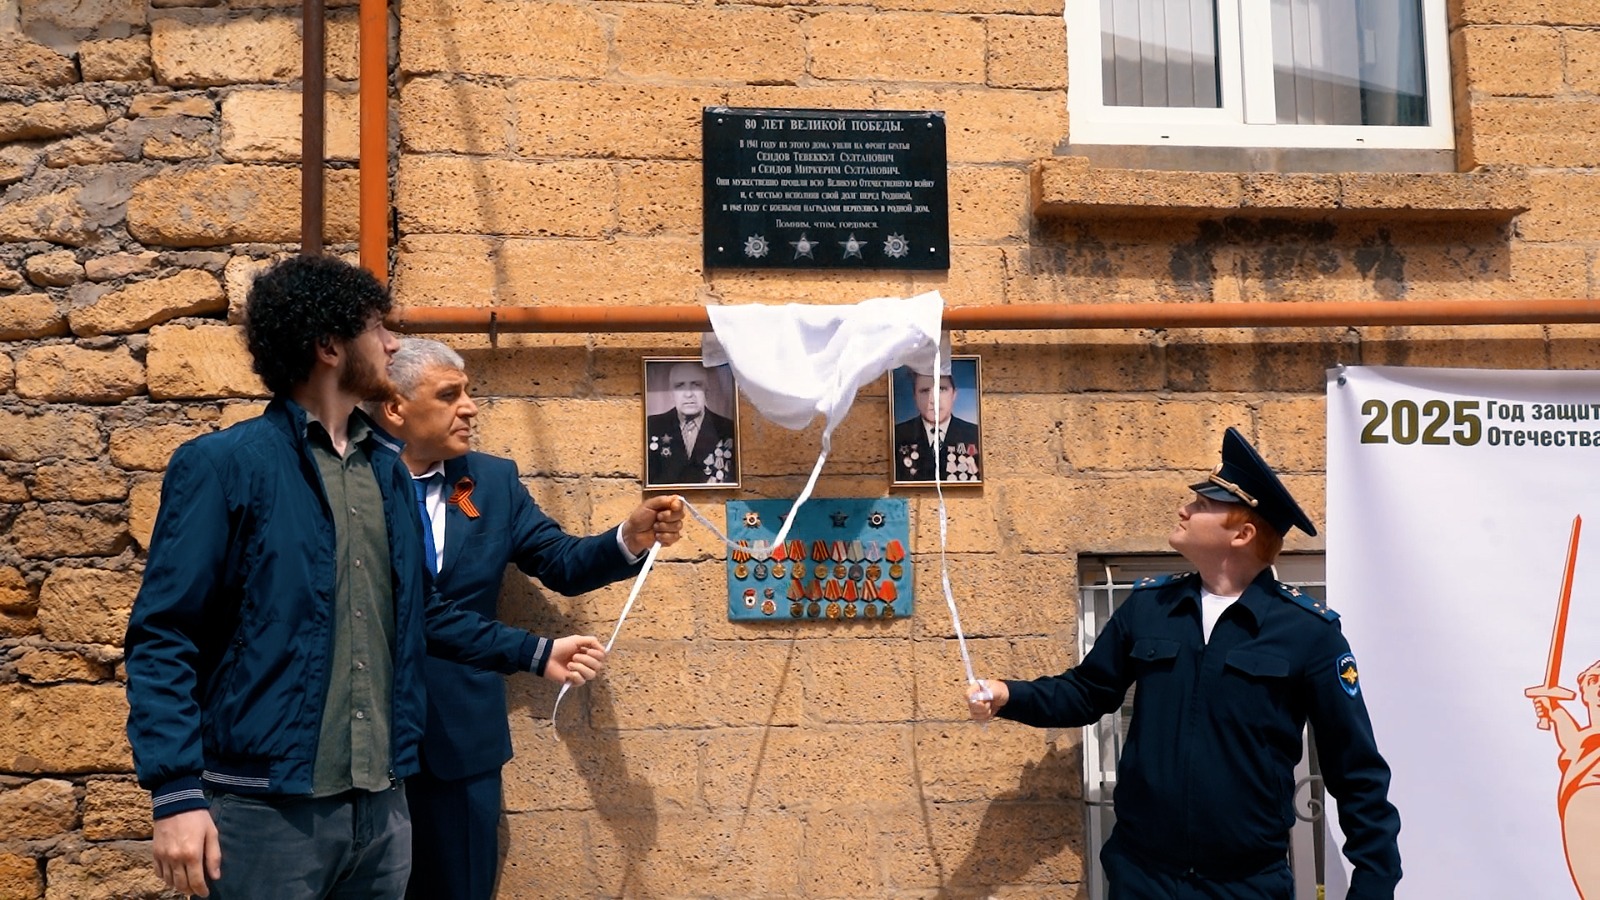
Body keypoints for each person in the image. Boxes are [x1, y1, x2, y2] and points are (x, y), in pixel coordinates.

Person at [123, 256, 621, 899]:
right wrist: (175, 792)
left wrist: (534, 652)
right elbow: (164, 635)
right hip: (267, 812)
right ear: (330, 347)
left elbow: (420, 609)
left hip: (383, 809)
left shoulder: (386, 473)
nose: (391, 344)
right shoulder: (222, 466)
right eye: (376, 328)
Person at [967, 427, 1401, 899]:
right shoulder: (1149, 607)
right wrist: (1008, 695)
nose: (1184, 509)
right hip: (1142, 877)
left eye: (1203, 503)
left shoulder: (1308, 632)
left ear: (1243, 534)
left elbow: (1355, 770)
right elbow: (1086, 693)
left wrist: (1373, 885)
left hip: (1245, 885)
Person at [365, 338, 683, 900]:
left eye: (468, 392)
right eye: (450, 395)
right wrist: (534, 652)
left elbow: (560, 562)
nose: (471, 407)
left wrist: (627, 539)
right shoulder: (347, 481)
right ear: (395, 408)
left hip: (460, 742)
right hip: (359, 741)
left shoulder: (490, 482)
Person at [1531, 659, 1600, 897]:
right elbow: (1574, 744)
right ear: (1585, 693)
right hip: (1582, 824)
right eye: (1594, 680)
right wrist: (1554, 709)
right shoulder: (1584, 744)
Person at [645, 360, 736, 484]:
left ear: (706, 389)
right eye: (680, 386)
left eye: (696, 384)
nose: (688, 394)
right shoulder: (651, 427)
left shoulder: (728, 428)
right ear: (671, 392)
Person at [892, 363, 979, 482]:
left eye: (941, 389)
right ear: (915, 397)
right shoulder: (897, 435)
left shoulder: (975, 434)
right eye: (925, 391)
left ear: (954, 394)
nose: (933, 400)